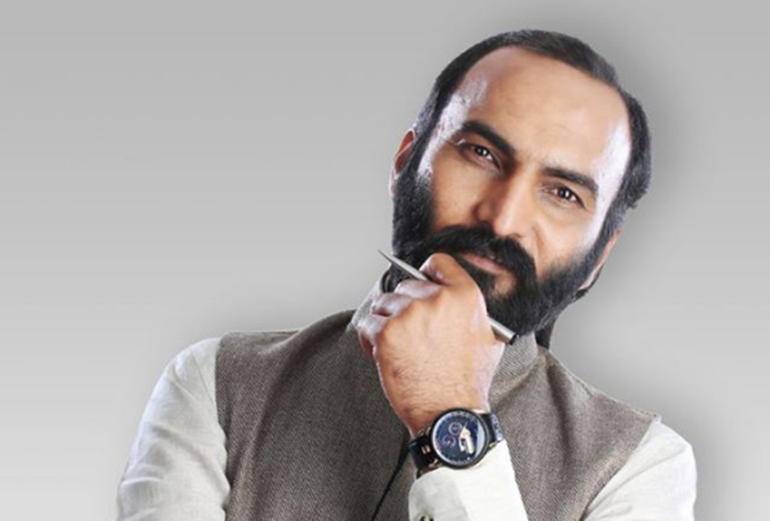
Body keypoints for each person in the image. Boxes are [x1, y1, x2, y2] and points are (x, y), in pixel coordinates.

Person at [116, 29, 697, 521]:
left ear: (599, 256)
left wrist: (450, 415)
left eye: (563, 193)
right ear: (405, 162)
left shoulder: (640, 465)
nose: (502, 218)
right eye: (482, 154)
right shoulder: (215, 385)